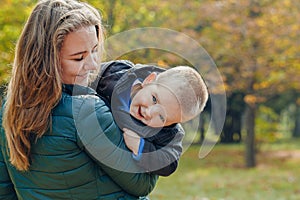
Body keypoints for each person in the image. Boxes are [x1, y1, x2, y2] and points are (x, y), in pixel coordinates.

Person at [0, 0, 158, 199]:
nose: (92, 65)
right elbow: (142, 184)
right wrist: (152, 120)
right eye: (78, 58)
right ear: (47, 61)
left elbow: (5, 190)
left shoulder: (9, 109)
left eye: (94, 50)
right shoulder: (87, 111)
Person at [91, 60, 209, 176]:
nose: (149, 112)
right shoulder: (117, 74)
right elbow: (86, 77)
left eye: (162, 117)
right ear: (149, 80)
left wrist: (140, 147)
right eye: (154, 99)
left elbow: (169, 163)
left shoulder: (167, 134)